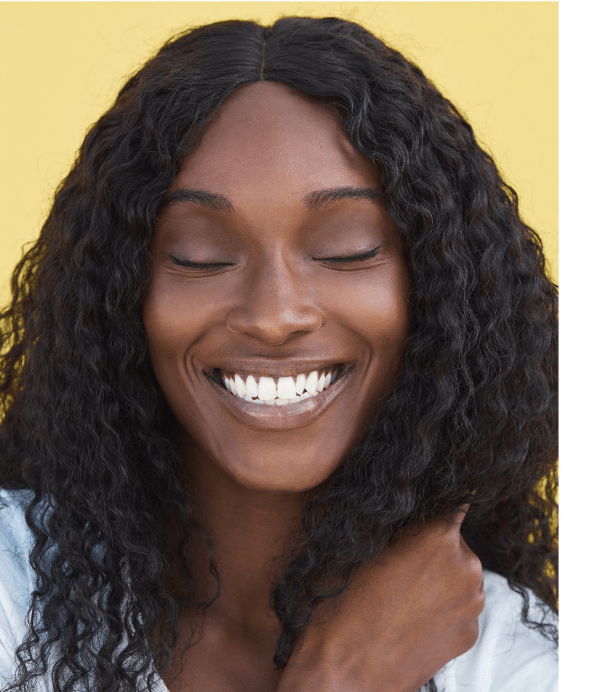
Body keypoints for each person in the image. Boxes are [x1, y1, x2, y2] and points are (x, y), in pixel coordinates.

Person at [0, 16, 558, 692]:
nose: (273, 315)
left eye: (346, 250)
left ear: (439, 293)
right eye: (200, 255)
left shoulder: (516, 667)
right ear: (116, 297)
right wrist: (341, 679)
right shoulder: (13, 591)